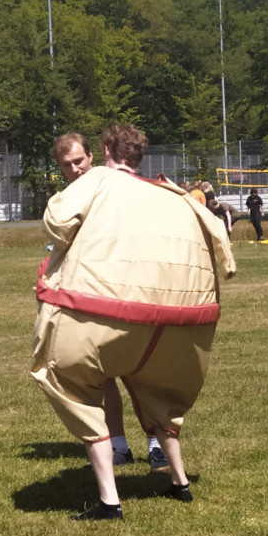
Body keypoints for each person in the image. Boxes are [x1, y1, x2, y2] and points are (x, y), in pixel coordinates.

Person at [32, 124, 236, 520]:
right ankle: (180, 482)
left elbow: (57, 222)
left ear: (104, 150)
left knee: (78, 389)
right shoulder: (171, 193)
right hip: (173, 327)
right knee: (159, 396)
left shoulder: (98, 181)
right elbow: (220, 246)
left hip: (101, 317)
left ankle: (109, 499)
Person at [51, 131, 168, 471]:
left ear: (93, 156)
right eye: (66, 165)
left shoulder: (118, 186)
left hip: (135, 287)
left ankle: (156, 444)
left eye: (79, 161)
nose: (75, 169)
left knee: (142, 373)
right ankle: (118, 446)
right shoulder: (72, 198)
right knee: (102, 375)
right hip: (93, 293)